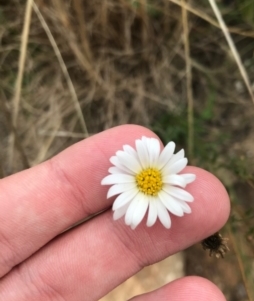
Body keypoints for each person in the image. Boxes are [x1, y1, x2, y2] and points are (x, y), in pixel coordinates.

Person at [0, 125, 230, 301]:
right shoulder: (135, 181)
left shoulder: (158, 187)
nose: (150, 180)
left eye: (151, 179)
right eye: (148, 179)